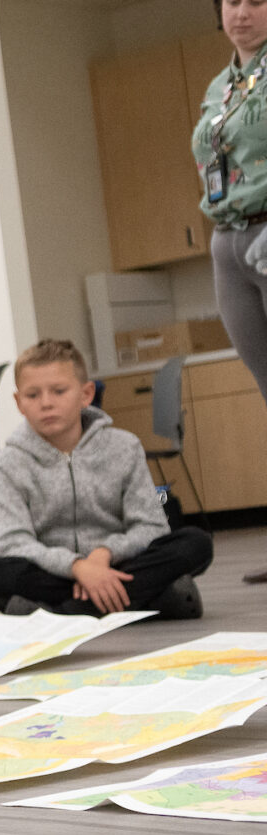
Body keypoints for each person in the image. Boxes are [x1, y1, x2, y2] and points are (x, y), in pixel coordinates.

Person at [0, 341, 214, 618]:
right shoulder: (8, 463)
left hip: (120, 565)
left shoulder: (124, 447)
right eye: (33, 395)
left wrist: (104, 554)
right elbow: (14, 542)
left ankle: (65, 611)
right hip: (56, 572)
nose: (46, 403)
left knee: (196, 542)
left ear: (86, 393)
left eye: (59, 391)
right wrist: (77, 567)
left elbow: (150, 525)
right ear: (19, 403)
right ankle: (150, 599)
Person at [194, 0, 267, 584]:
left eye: (257, 1)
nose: (241, 12)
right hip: (228, 240)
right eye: (231, 2)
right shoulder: (223, 82)